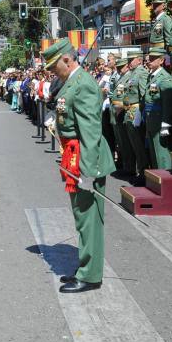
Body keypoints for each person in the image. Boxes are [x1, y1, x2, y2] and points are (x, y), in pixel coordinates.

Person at [43, 38, 115, 293]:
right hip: (74, 154)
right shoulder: (70, 82)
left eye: (54, 66)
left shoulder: (82, 84)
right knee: (81, 217)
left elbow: (91, 131)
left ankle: (91, 275)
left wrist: (88, 170)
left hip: (85, 157)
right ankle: (86, 266)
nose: (51, 72)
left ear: (67, 59)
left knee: (89, 219)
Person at [122, 47, 150, 184]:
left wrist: (141, 113)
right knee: (134, 145)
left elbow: (144, 95)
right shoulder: (132, 74)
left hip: (136, 112)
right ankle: (140, 172)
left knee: (139, 145)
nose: (129, 63)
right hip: (129, 112)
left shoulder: (142, 73)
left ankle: (144, 173)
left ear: (139, 60)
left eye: (131, 60)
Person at [144, 47, 172, 170]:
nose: (148, 61)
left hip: (159, 119)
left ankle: (164, 180)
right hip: (150, 118)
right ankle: (156, 182)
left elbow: (167, 105)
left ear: (161, 60)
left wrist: (165, 126)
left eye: (152, 59)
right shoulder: (151, 76)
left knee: (161, 153)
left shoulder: (164, 78)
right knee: (153, 153)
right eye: (149, 58)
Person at [110, 56, 135, 175]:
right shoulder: (121, 77)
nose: (120, 70)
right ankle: (125, 165)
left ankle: (129, 168)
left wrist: (122, 108)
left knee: (126, 142)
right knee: (120, 142)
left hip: (123, 111)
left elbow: (128, 96)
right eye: (118, 67)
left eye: (122, 67)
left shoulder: (129, 77)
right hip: (116, 112)